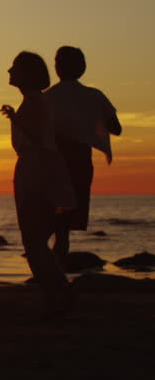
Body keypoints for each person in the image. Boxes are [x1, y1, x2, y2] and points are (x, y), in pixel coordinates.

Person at [0, 51, 76, 318]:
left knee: (33, 240)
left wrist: (14, 118)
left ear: (26, 74)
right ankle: (55, 296)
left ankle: (59, 294)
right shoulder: (34, 101)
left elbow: (36, 135)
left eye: (14, 68)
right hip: (40, 167)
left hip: (37, 170)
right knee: (37, 239)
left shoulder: (34, 102)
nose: (9, 72)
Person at [44, 46, 122, 260]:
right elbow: (116, 128)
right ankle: (57, 272)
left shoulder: (47, 98)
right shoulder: (94, 96)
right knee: (65, 226)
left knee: (55, 224)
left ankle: (53, 272)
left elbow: (39, 133)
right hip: (79, 162)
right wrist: (89, 123)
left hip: (53, 163)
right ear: (83, 68)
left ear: (57, 68)